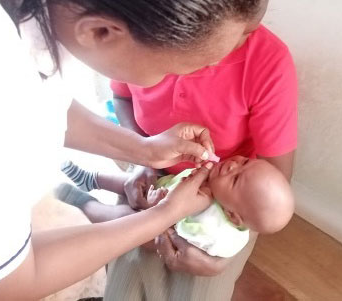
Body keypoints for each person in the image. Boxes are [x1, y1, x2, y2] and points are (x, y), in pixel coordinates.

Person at [0, 0, 266, 299]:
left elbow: (44, 105)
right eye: (171, 70)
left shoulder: (34, 34)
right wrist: (163, 216)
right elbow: (10, 284)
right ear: (100, 32)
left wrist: (145, 149)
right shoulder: (6, 131)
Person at [107, 0, 298, 299]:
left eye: (247, 32)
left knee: (194, 288)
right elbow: (120, 98)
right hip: (150, 166)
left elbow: (269, 186)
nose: (229, 48)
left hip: (227, 198)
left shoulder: (267, 61)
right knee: (126, 271)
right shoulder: (135, 34)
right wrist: (142, 155)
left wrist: (218, 259)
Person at [57, 156, 295, 258]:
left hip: (158, 230)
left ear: (232, 215)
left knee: (121, 216)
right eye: (244, 162)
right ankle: (91, 178)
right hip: (163, 190)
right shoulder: (221, 184)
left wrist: (155, 207)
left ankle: (85, 204)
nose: (233, 165)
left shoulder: (213, 225)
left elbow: (174, 232)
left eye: (235, 179)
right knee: (132, 183)